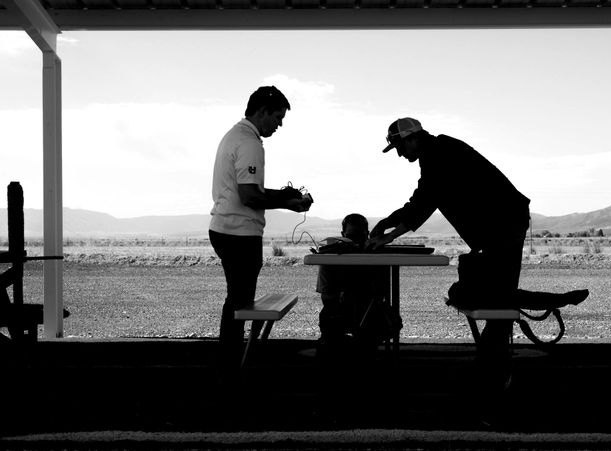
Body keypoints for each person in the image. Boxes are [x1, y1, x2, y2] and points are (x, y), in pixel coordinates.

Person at [365, 117, 530, 403]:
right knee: (495, 298)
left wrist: (387, 234)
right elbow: (423, 200)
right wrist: (389, 227)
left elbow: (424, 202)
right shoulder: (437, 152)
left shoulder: (438, 154)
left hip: (504, 226)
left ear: (412, 138)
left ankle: (496, 377)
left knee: (498, 300)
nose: (400, 154)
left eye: (400, 146)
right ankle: (491, 368)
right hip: (501, 226)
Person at [209, 85, 312, 372]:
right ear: (262, 111)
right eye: (277, 118)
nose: (278, 126)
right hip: (238, 233)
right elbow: (249, 196)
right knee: (240, 304)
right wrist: (289, 203)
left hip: (226, 228)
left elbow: (250, 190)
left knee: (237, 301)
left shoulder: (234, 136)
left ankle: (231, 361)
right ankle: (231, 366)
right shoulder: (250, 143)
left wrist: (281, 195)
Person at [316, 213, 396, 358]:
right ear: (342, 235)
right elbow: (327, 298)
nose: (357, 241)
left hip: (367, 310)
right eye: (352, 236)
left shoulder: (377, 255)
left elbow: (382, 292)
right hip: (344, 309)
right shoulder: (330, 257)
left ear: (367, 234)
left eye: (361, 236)